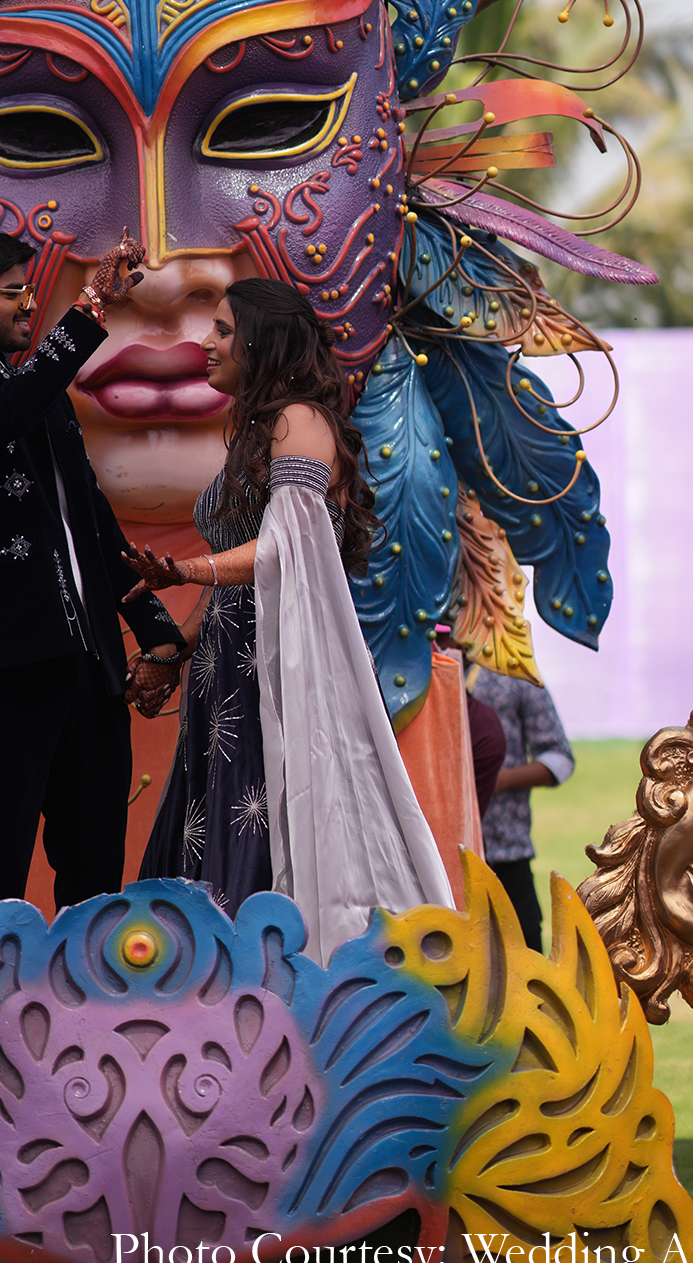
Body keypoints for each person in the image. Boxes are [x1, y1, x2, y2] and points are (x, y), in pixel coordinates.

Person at [0, 224, 185, 971]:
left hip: (86, 662)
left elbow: (91, 516)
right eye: (15, 293)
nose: (27, 308)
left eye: (29, 293)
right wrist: (85, 310)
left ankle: (92, 1036)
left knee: (94, 875)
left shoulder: (35, 394)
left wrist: (156, 630)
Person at [126, 279, 454, 964]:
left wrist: (184, 571)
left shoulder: (298, 419)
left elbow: (284, 550)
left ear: (261, 340)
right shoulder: (253, 429)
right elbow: (235, 576)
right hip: (227, 670)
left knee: (267, 817)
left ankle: (268, 987)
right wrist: (172, 653)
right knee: (209, 821)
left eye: (221, 330)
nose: (205, 344)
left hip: (279, 667)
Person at [470, 666, 575, 952]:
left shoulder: (514, 673)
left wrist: (497, 779)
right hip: (436, 856)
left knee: (524, 969)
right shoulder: (419, 667)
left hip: (506, 853)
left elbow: (559, 758)